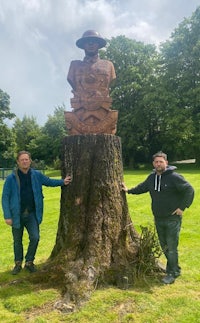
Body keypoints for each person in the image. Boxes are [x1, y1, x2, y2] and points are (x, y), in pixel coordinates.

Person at [122, 151, 194, 284]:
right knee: (165, 246)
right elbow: (142, 188)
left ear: (166, 163)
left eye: (161, 161)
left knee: (171, 247)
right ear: (153, 164)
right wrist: (128, 190)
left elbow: (189, 190)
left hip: (172, 218)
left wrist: (182, 208)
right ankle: (175, 268)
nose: (158, 164)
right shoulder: (151, 177)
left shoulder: (174, 177)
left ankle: (172, 273)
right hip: (158, 218)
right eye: (156, 162)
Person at [1, 151, 72, 275]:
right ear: (18, 162)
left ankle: (29, 261)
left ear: (30, 161)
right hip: (16, 215)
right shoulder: (11, 178)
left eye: (26, 159)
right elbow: (5, 198)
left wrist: (62, 182)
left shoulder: (36, 175)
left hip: (32, 214)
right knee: (17, 241)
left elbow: (49, 181)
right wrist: (7, 216)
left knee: (35, 237)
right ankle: (18, 264)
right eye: (22, 160)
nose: (24, 161)